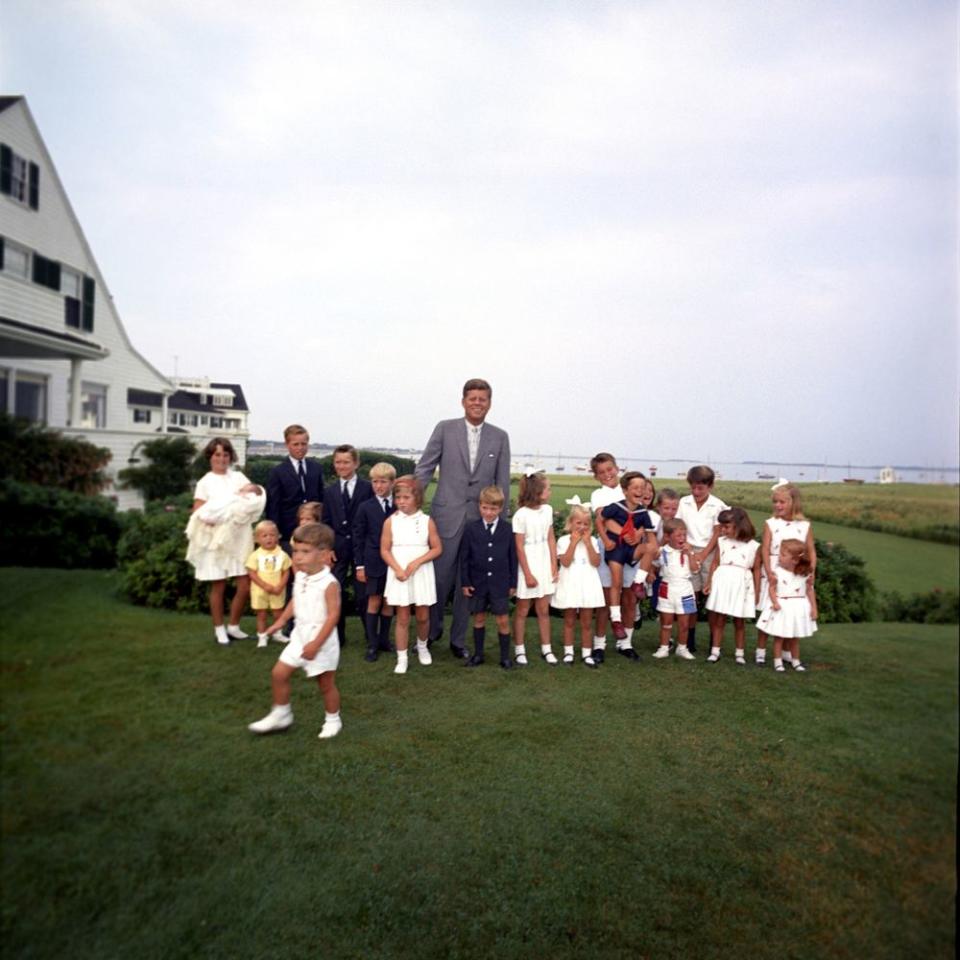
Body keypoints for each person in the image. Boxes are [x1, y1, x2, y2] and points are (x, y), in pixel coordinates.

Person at [415, 378, 511, 660]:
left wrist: (499, 525)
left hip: (479, 522)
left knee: (467, 584)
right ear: (463, 401)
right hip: (446, 517)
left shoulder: (500, 436)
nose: (477, 403)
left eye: (483, 399)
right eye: (473, 398)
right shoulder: (445, 428)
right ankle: (430, 634)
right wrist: (409, 504)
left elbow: (502, 481)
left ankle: (458, 640)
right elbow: (425, 467)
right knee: (439, 579)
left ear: (489, 403)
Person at [247, 522, 343, 739]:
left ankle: (333, 719)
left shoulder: (329, 583)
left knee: (325, 684)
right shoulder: (300, 575)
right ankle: (282, 714)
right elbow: (295, 601)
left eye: (305, 552)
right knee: (278, 674)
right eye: (296, 551)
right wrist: (280, 621)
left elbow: (333, 616)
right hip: (299, 637)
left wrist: (316, 644)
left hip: (321, 641)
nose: (298, 557)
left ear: (323, 554)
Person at [186, 437, 265, 645]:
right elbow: (198, 511)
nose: (221, 458)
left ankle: (234, 626)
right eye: (217, 454)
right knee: (218, 586)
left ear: (231, 457)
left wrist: (241, 508)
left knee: (244, 585)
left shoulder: (238, 477)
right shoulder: (205, 482)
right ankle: (219, 628)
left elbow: (253, 498)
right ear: (210, 457)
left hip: (239, 538)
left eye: (225, 454)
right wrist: (215, 516)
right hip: (216, 541)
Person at [382, 476, 442, 675]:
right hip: (399, 572)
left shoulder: (426, 521)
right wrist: (398, 569)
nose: (401, 501)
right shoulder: (390, 522)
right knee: (402, 617)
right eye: (398, 497)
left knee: (423, 616)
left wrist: (417, 562)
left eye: (406, 497)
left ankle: (422, 646)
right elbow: (384, 550)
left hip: (421, 571)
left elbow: (437, 548)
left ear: (417, 498)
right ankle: (402, 657)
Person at [755, 481, 817, 666]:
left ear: (793, 502)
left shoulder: (804, 525)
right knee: (769, 613)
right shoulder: (771, 524)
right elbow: (765, 550)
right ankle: (760, 650)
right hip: (775, 571)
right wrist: (769, 571)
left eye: (782, 502)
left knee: (790, 614)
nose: (778, 505)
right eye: (775, 502)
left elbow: (811, 550)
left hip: (798, 572)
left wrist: (811, 570)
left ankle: (786, 652)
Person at [598, 470, 657, 659]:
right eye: (636, 488)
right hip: (615, 549)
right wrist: (606, 539)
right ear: (625, 490)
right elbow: (600, 520)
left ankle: (638, 582)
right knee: (614, 585)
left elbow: (652, 540)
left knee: (648, 549)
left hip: (632, 552)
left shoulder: (643, 513)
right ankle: (614, 622)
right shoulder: (615, 507)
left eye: (643, 487)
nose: (640, 491)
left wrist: (640, 537)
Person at [460, 485, 517, 669]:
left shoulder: (508, 530)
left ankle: (505, 657)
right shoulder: (471, 529)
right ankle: (478, 655)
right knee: (479, 618)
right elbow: (465, 558)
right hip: (478, 583)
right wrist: (466, 582)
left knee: (502, 620)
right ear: (479, 506)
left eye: (493, 508)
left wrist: (513, 582)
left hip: (500, 583)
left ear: (500, 508)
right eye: (485, 507)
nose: (489, 512)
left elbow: (512, 558)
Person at [323, 444, 373, 647]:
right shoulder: (329, 491)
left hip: (361, 550)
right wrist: (327, 548)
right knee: (336, 593)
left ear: (356, 463)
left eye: (346, 462)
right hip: (337, 550)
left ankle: (372, 637)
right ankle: (337, 637)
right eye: (338, 462)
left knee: (364, 596)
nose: (341, 466)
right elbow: (325, 522)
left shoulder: (367, 488)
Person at [677, 465, 728, 653]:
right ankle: (688, 639)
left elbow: (717, 534)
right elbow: (679, 526)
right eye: (693, 487)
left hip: (711, 552)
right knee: (691, 596)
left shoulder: (718, 505)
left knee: (713, 597)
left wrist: (703, 554)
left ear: (710, 486)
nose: (696, 492)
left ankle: (714, 642)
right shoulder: (684, 502)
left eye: (701, 488)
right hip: (688, 551)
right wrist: (688, 550)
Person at [352, 462, 397, 662]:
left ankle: (384, 641)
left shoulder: (399, 506)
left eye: (383, 482)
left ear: (392, 483)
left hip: (395, 563)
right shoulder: (365, 507)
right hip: (372, 562)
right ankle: (372, 644)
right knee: (374, 600)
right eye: (375, 482)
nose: (378, 486)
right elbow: (358, 538)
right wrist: (359, 565)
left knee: (389, 601)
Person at [703, 508, 760, 664]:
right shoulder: (722, 542)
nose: (722, 530)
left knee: (739, 621)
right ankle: (715, 651)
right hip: (723, 581)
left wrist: (757, 591)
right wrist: (709, 582)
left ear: (739, 525)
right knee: (719, 619)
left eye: (726, 527)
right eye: (721, 527)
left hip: (741, 583)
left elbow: (756, 569)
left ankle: (739, 654)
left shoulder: (753, 546)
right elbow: (715, 562)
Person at [513, 471, 558, 666]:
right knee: (523, 609)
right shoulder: (520, 515)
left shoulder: (547, 510)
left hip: (544, 561)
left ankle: (546, 648)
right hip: (528, 563)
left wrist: (553, 565)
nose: (550, 491)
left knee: (543, 609)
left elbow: (550, 538)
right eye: (548, 488)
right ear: (538, 492)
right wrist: (528, 573)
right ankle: (519, 649)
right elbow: (519, 546)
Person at [551, 503, 604, 667]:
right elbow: (565, 562)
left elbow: (596, 562)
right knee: (569, 620)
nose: (582, 527)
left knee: (587, 621)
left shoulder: (593, 541)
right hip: (570, 583)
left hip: (588, 583)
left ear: (590, 526)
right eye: (578, 523)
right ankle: (569, 652)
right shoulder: (563, 540)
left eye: (585, 524)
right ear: (571, 522)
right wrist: (574, 543)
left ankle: (587, 653)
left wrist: (587, 543)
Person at [756, 538, 818, 672]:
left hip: (798, 608)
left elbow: (809, 591)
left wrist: (814, 608)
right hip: (782, 607)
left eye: (783, 555)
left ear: (794, 560)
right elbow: (771, 589)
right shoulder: (777, 572)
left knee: (794, 638)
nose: (779, 557)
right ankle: (778, 662)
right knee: (779, 636)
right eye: (780, 553)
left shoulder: (805, 575)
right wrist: (775, 602)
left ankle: (796, 661)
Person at [265, 425, 324, 553]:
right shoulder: (278, 472)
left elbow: (321, 499)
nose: (300, 448)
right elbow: (273, 506)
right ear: (287, 444)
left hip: (314, 532)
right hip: (287, 533)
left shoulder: (316, 468)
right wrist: (275, 534)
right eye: (296, 444)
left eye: (304, 444)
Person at [651, 518, 701, 661]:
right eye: (678, 535)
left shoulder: (690, 552)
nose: (682, 538)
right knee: (666, 622)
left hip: (685, 589)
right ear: (667, 537)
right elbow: (653, 564)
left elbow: (695, 569)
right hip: (667, 588)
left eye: (684, 535)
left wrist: (689, 554)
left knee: (684, 623)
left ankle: (682, 648)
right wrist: (649, 573)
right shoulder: (662, 551)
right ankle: (663, 647)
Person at [245, 520, 292, 647]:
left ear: (278, 537)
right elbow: (252, 573)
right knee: (262, 614)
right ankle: (262, 635)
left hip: (277, 589)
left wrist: (281, 586)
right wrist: (264, 585)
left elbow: (286, 571)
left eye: (272, 535)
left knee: (278, 613)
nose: (269, 538)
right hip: (260, 590)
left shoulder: (282, 555)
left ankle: (277, 633)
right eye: (264, 536)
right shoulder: (255, 555)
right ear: (257, 539)